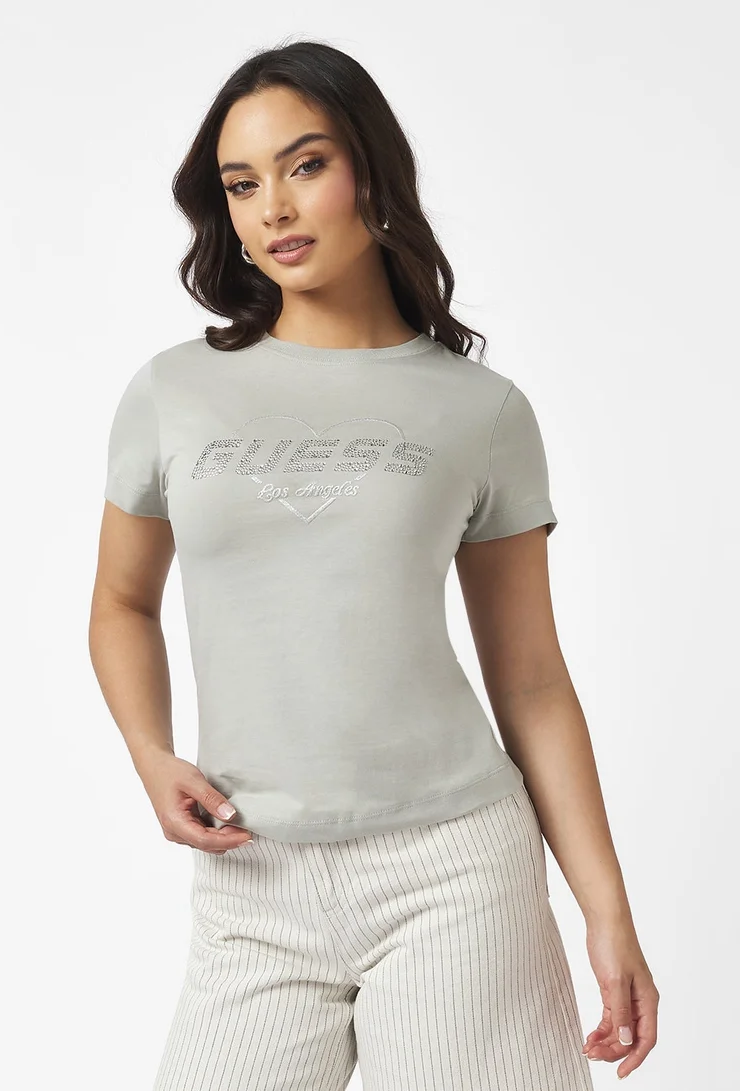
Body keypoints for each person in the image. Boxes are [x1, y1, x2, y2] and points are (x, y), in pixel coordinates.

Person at [89, 38, 658, 1091]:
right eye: (242, 184)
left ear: (370, 171)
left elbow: (532, 680)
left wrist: (606, 911)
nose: (273, 208)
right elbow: (122, 602)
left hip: (453, 873)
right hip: (250, 877)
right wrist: (148, 750)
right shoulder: (172, 392)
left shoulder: (480, 410)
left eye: (305, 165)